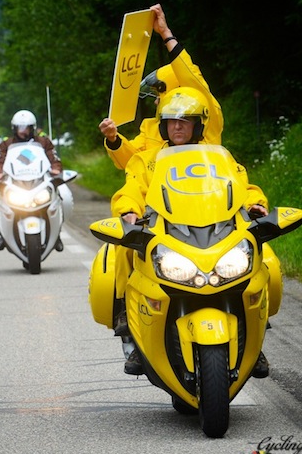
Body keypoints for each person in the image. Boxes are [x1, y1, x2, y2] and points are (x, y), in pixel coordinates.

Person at [110, 87, 270, 376]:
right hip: (166, 231)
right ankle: (129, 328)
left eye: (185, 121)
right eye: (171, 121)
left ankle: (257, 339)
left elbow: (242, 186)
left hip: (215, 229)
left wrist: (256, 205)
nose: (177, 127)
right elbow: (132, 188)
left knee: (264, 257)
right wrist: (129, 211)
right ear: (163, 125)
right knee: (124, 248)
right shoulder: (150, 160)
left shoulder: (218, 157)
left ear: (199, 125)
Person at [98, 3, 224, 170]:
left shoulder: (206, 119)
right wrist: (114, 139)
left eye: (159, 96)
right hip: (161, 194)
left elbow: (190, 76)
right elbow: (131, 162)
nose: (156, 102)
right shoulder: (150, 127)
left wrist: (166, 33)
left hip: (203, 192)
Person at [0, 109, 64, 251]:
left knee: (62, 196)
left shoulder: (43, 142)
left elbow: (53, 157)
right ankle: (1, 234)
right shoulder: (6, 144)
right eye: (20, 127)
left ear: (33, 128)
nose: (23, 131)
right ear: (14, 128)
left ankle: (57, 235)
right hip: (15, 182)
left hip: (39, 181)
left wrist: (56, 169)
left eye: (26, 127)